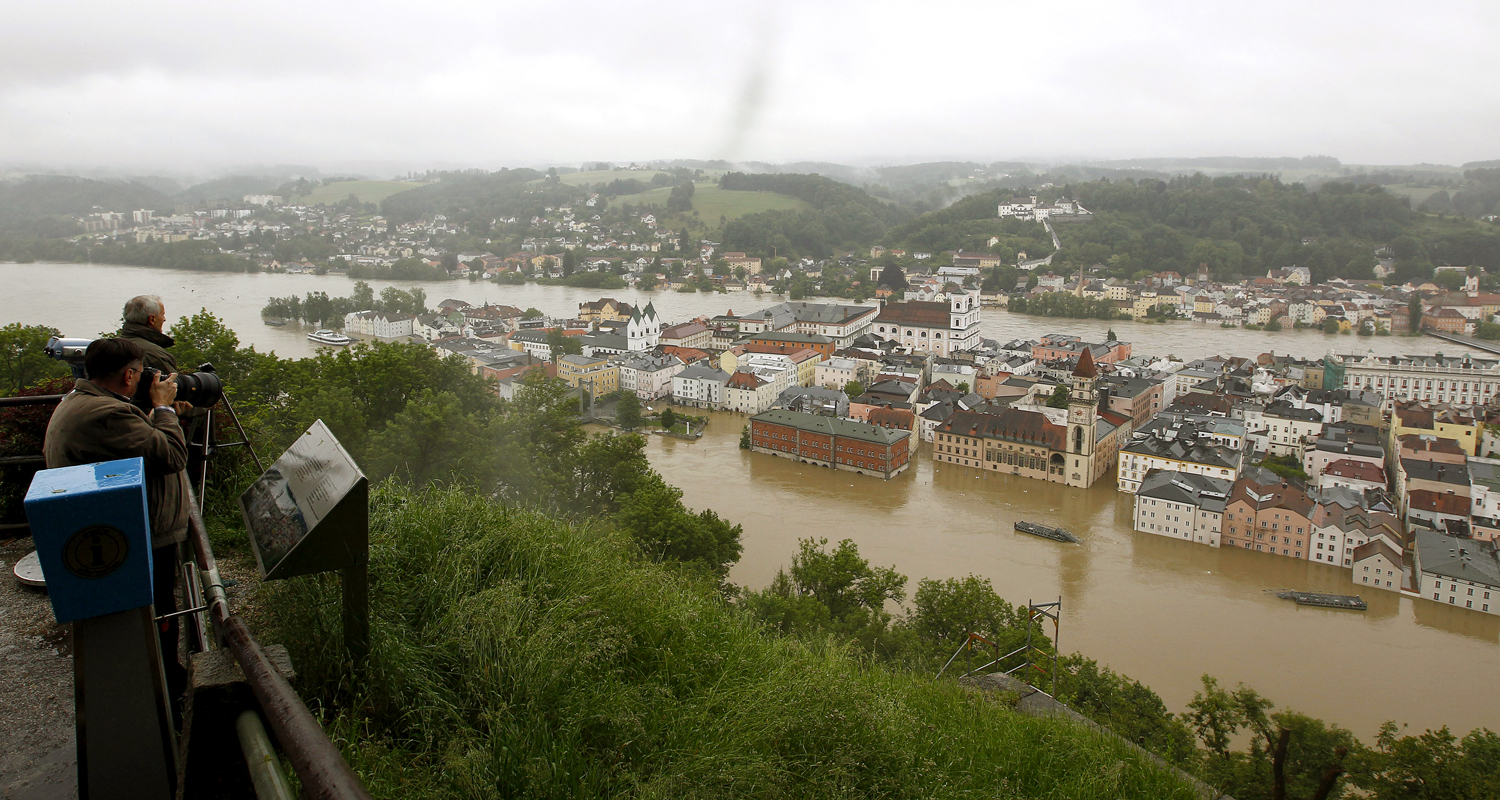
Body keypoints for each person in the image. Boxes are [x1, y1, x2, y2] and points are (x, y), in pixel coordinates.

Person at [43, 337, 191, 702]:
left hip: (105, 526)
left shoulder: (82, 400)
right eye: (141, 374)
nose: (144, 381)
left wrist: (162, 413)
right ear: (128, 375)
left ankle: (150, 685)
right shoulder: (108, 414)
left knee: (140, 618)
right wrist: (164, 410)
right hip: (137, 536)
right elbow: (172, 455)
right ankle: (165, 694)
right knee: (159, 617)